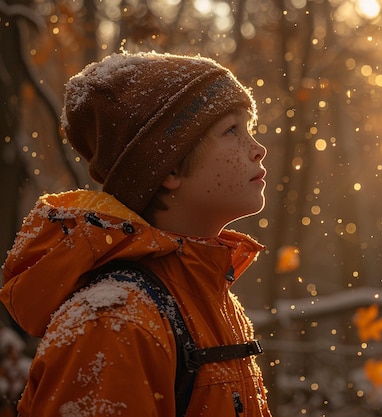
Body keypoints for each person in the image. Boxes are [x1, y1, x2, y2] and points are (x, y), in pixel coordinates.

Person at [0, 51, 272, 417]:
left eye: (249, 128)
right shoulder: (114, 323)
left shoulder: (204, 294)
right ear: (168, 167)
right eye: (231, 131)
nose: (258, 149)